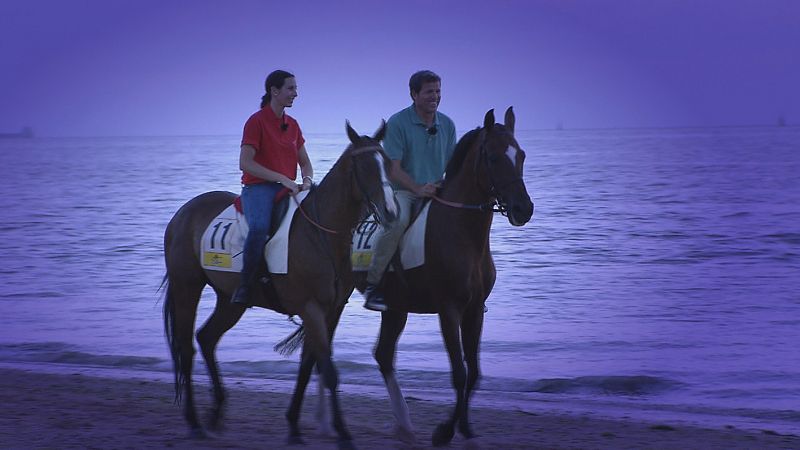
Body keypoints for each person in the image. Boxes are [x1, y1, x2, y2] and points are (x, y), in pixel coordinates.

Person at [363, 70, 457, 312]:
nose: (434, 96)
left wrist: (444, 186)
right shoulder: (398, 123)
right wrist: (418, 188)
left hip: (437, 190)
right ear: (414, 94)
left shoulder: (447, 124)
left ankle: (467, 287)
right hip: (403, 191)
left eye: (438, 91)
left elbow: (452, 166)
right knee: (397, 223)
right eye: (428, 92)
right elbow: (393, 170)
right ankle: (373, 285)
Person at [232, 70, 314, 306]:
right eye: (290, 88)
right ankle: (245, 286)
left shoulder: (293, 125)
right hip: (258, 188)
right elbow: (245, 163)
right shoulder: (256, 121)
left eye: (296, 89)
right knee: (258, 228)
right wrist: (281, 178)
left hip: (288, 188)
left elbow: (305, 163)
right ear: (274, 91)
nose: (295, 94)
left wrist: (307, 180)